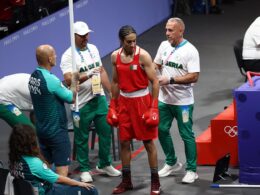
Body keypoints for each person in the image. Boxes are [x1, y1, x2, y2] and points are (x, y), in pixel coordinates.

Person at [60, 21, 121, 183]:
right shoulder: (68, 56)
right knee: (81, 138)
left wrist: (112, 94)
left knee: (106, 131)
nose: (85, 38)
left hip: (98, 98)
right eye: (82, 36)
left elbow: (101, 71)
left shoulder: (93, 49)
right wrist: (87, 75)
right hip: (81, 103)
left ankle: (105, 163)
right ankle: (85, 169)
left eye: (87, 34)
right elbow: (68, 81)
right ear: (73, 36)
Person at [107, 25, 160, 194]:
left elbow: (155, 82)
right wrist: (113, 105)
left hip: (142, 102)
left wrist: (153, 107)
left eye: (134, 41)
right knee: (123, 142)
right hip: (124, 102)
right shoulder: (115, 57)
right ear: (121, 41)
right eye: (129, 42)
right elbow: (115, 82)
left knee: (148, 143)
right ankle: (126, 181)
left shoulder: (143, 56)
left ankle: (155, 183)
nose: (133, 44)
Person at [153, 17, 200, 184]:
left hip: (183, 102)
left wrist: (170, 80)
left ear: (181, 31)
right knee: (162, 130)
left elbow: (194, 76)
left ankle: (192, 170)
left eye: (171, 30)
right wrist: (155, 76)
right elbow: (156, 64)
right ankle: (171, 162)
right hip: (164, 100)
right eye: (166, 30)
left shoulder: (191, 51)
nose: (167, 34)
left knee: (186, 134)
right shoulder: (163, 45)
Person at [28, 44, 78, 177]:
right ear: (50, 59)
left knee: (46, 170)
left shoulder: (33, 77)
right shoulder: (52, 80)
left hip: (42, 131)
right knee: (62, 173)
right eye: (54, 54)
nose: (56, 56)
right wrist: (74, 81)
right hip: (56, 132)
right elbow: (71, 98)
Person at [9, 124, 98, 195]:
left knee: (55, 167)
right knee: (91, 189)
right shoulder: (34, 162)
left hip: (25, 190)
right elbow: (58, 179)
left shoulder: (13, 158)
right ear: (31, 141)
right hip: (45, 192)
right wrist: (79, 184)